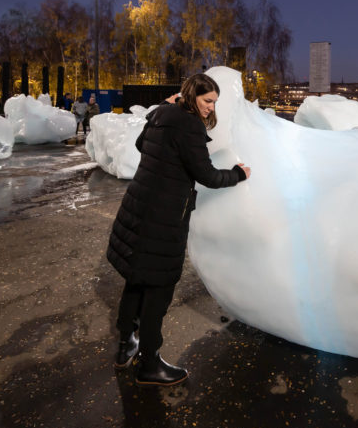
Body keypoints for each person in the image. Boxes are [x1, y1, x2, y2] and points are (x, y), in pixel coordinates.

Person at [106, 73, 251, 386]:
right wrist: (238, 174)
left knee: (136, 279)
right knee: (158, 288)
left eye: (214, 102)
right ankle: (149, 364)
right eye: (207, 100)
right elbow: (207, 175)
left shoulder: (162, 113)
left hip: (138, 208)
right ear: (192, 95)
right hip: (162, 218)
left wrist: (162, 107)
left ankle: (124, 347)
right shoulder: (189, 125)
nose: (211, 107)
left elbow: (141, 143)